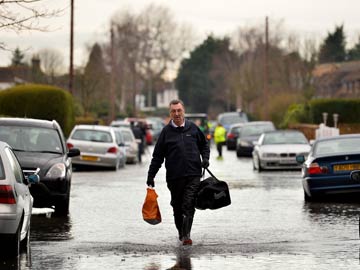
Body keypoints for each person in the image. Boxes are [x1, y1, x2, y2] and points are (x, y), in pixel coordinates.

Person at [146, 99, 210, 246]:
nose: (177, 114)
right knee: (177, 206)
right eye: (173, 111)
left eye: (179, 110)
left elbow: (204, 146)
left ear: (183, 111)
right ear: (170, 113)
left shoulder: (193, 129)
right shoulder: (166, 133)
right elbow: (157, 157)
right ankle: (181, 233)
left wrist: (205, 159)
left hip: (194, 174)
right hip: (174, 177)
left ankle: (186, 235)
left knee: (188, 204)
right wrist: (151, 175)